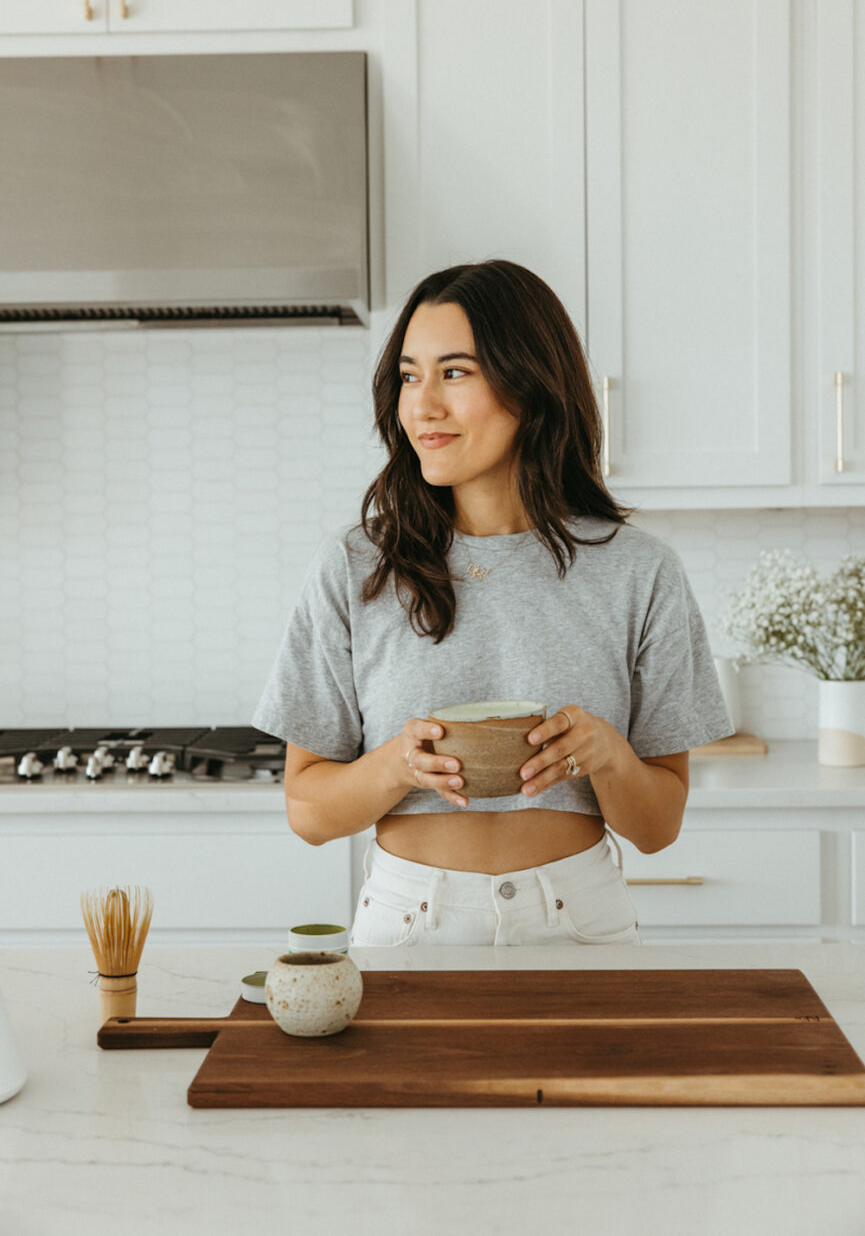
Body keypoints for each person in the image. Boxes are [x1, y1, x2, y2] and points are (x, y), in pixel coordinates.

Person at [252, 260, 734, 947]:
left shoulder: (637, 569)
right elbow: (308, 810)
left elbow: (657, 828)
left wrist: (607, 755)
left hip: (582, 919)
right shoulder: (356, 566)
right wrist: (397, 764)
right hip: (408, 924)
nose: (421, 406)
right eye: (409, 376)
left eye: (454, 372)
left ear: (531, 384)